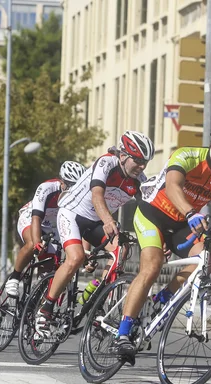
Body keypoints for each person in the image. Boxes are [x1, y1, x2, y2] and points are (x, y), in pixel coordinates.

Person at [112, 119, 211, 356]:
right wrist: (191, 212)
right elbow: (173, 186)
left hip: (183, 223)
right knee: (152, 265)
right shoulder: (188, 156)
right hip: (153, 213)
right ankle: (122, 332)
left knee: (207, 257)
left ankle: (163, 298)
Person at [35, 131, 155, 338]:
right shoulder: (106, 163)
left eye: (145, 162)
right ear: (124, 155)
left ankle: (98, 302)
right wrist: (109, 220)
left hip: (95, 221)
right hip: (72, 213)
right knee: (76, 258)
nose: (142, 166)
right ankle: (45, 310)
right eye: (138, 161)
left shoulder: (139, 181)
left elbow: (151, 210)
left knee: (121, 250)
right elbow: (97, 194)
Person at [5, 161, 87, 296]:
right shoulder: (46, 188)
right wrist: (38, 243)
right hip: (32, 217)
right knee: (32, 243)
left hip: (53, 224)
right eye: (71, 186)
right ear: (62, 182)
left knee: (50, 264)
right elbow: (36, 218)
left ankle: (37, 296)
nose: (73, 191)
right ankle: (14, 277)